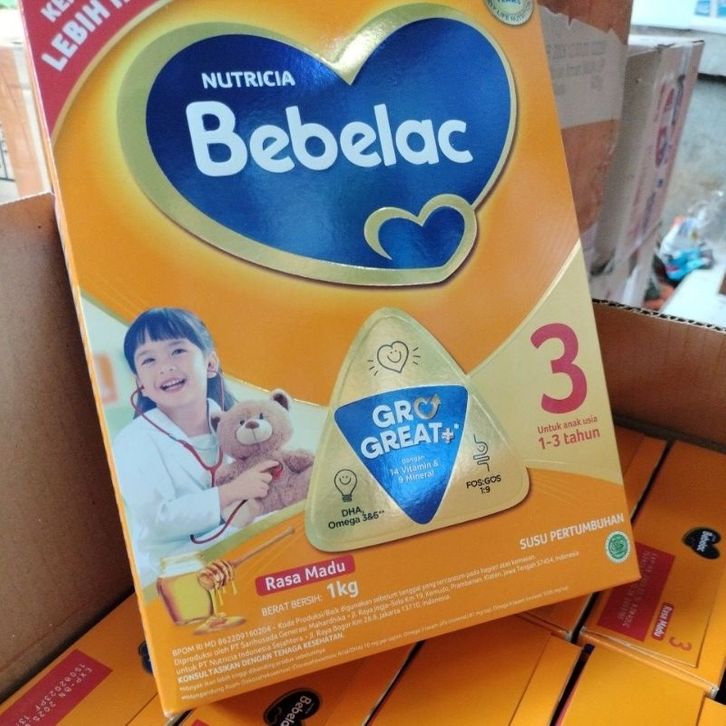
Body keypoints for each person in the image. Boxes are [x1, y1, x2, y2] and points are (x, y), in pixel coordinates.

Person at [112, 307, 278, 585]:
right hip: (175, 577)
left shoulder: (244, 427)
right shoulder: (132, 442)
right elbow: (159, 518)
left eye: (177, 351)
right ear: (141, 384)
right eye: (149, 359)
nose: (165, 366)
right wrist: (231, 494)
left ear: (210, 364)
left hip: (249, 559)